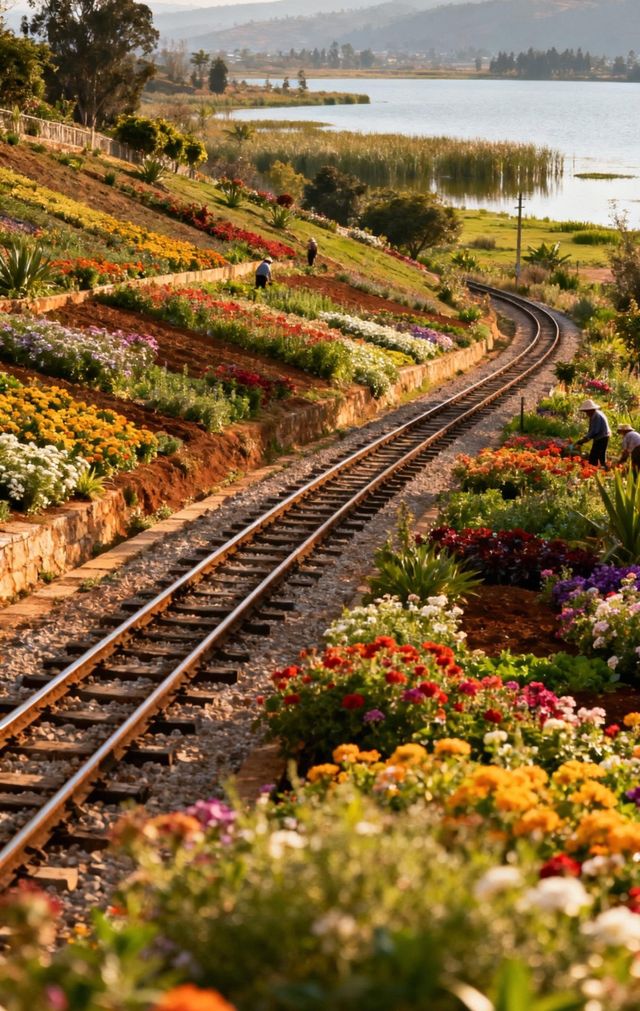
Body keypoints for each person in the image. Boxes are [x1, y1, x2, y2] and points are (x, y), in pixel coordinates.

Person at [575, 399, 611, 467]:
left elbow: (595, 431)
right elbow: (591, 429)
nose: (586, 413)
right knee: (601, 455)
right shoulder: (595, 414)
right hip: (602, 436)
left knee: (593, 457)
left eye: (586, 411)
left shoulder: (596, 416)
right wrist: (585, 438)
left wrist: (584, 439)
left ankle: (593, 470)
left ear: (590, 409)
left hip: (602, 437)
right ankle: (603, 469)